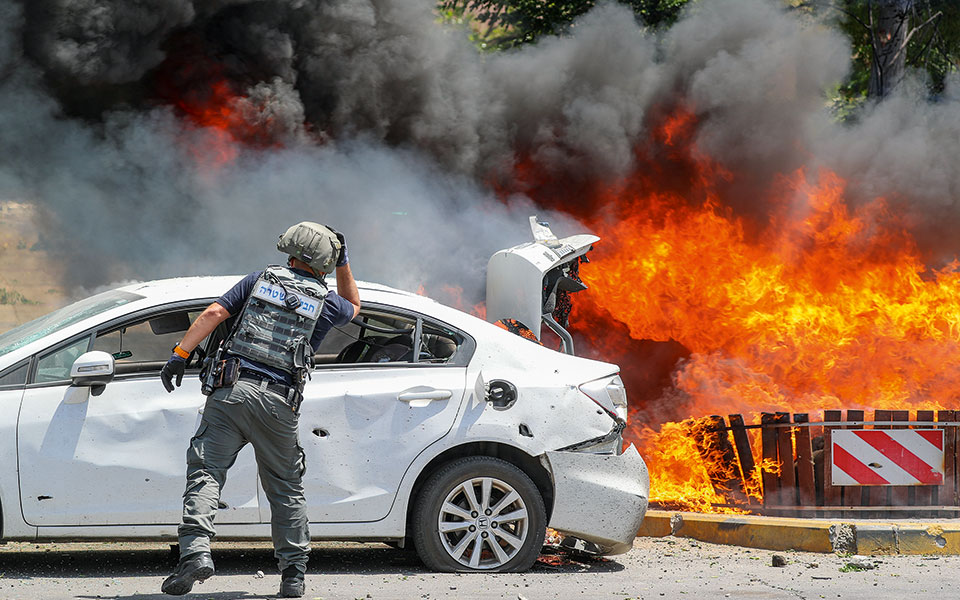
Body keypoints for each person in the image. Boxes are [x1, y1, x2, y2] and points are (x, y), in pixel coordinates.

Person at [158, 222, 361, 598]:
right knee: (285, 489)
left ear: (291, 252)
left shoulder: (258, 280)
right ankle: (293, 576)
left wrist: (179, 355)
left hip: (230, 394)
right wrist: (344, 262)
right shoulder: (329, 303)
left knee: (206, 472)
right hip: (279, 404)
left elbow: (214, 314)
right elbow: (355, 306)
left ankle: (195, 555)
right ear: (325, 264)